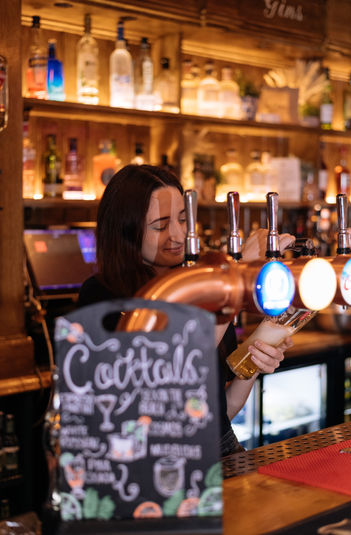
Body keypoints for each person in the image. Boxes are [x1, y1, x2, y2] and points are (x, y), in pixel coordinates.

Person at [78, 164, 294, 457]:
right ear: (125, 231)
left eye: (183, 219)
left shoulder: (199, 282)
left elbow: (223, 411)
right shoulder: (102, 296)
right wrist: (237, 271)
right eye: (160, 225)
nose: (178, 235)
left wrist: (255, 358)